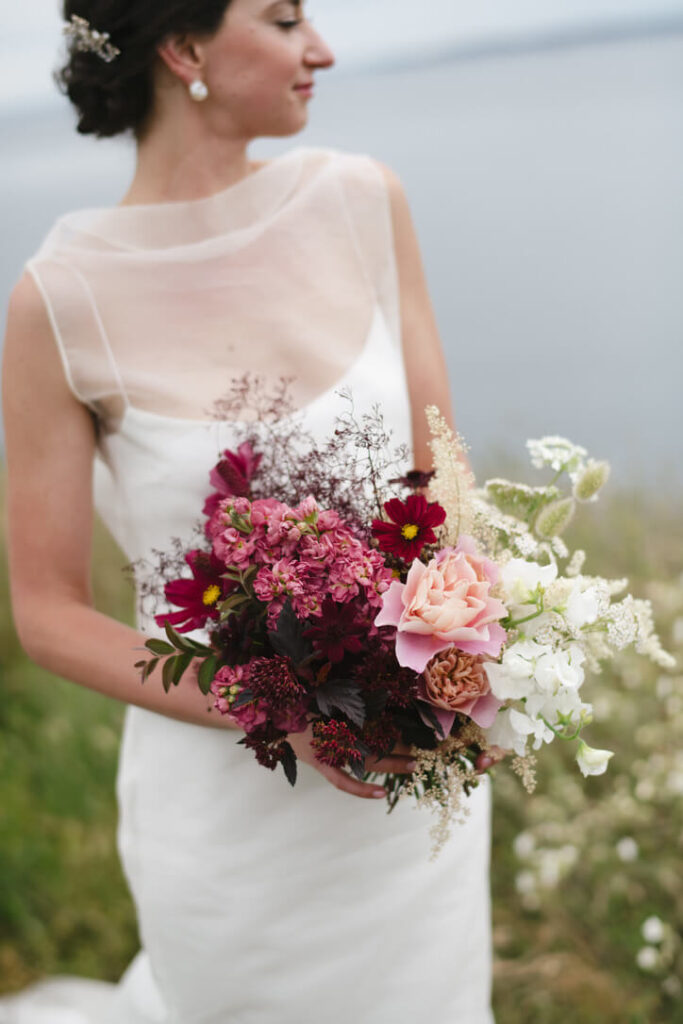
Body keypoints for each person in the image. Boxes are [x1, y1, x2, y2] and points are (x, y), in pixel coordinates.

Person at [0, 1, 498, 1021]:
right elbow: (47, 613)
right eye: (280, 18)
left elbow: (441, 482)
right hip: (232, 822)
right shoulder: (60, 301)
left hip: (408, 799)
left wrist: (472, 664)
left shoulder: (363, 200)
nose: (320, 48)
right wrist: (281, 707)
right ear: (183, 50)